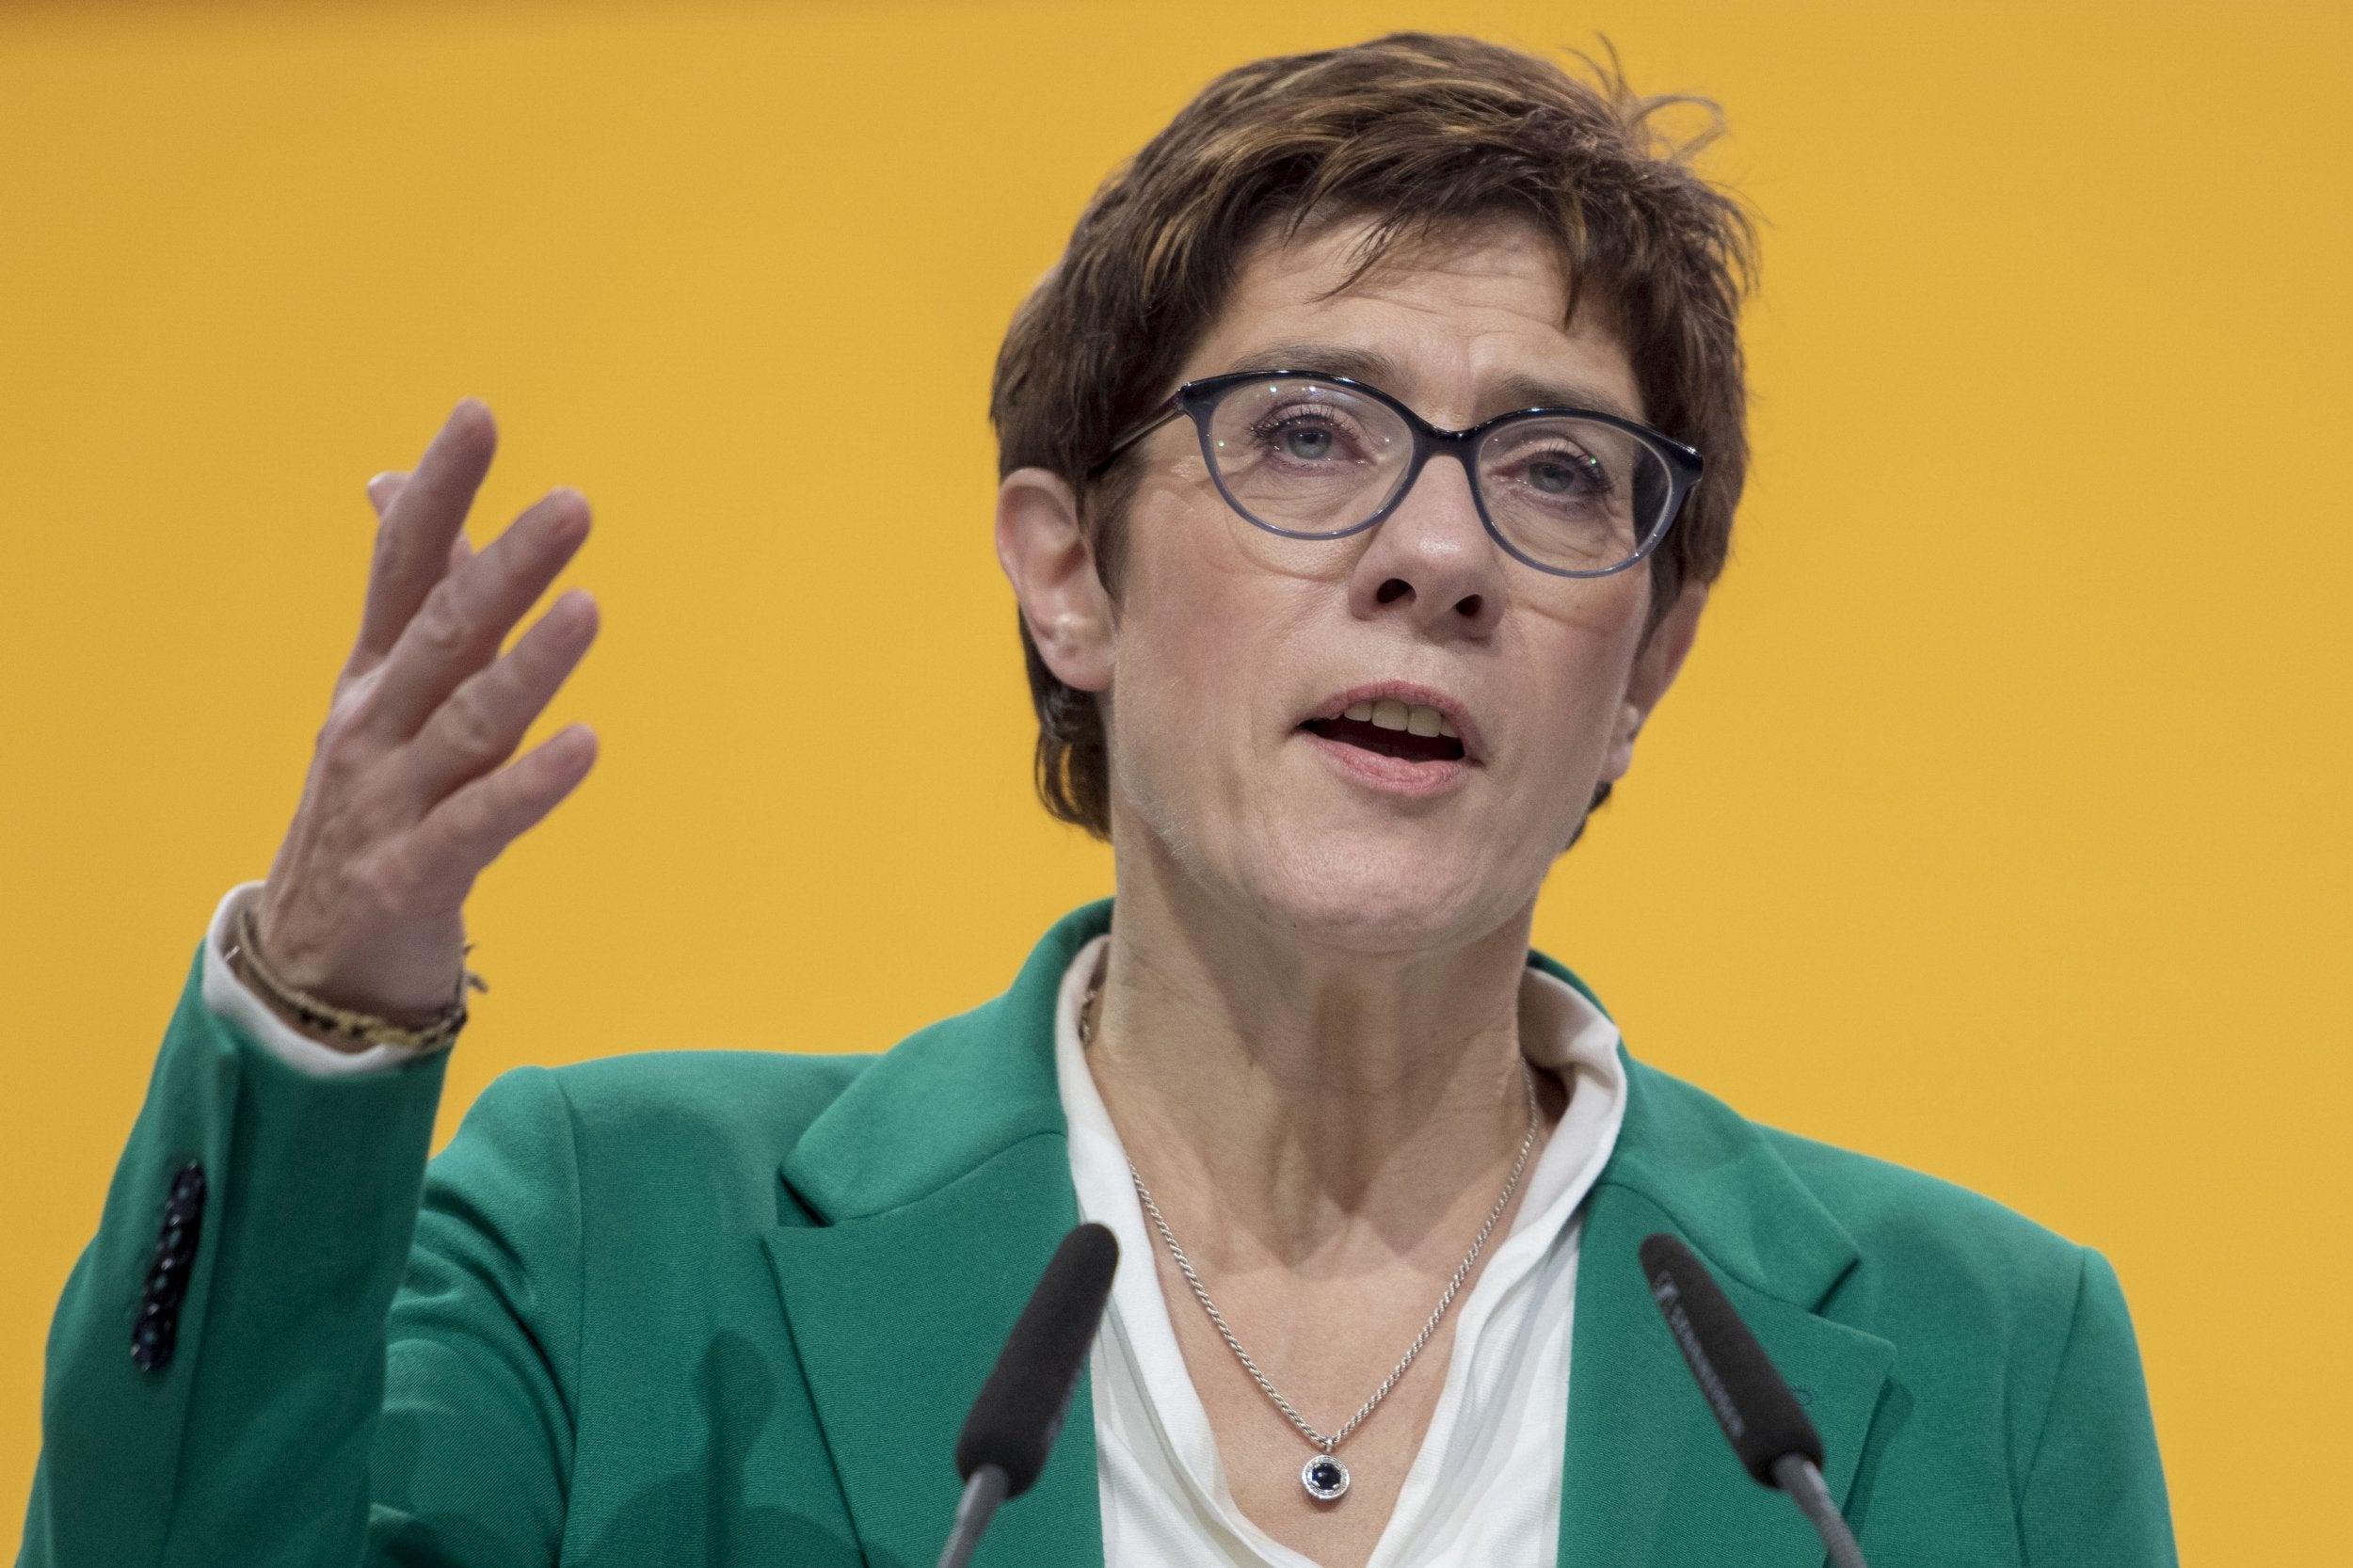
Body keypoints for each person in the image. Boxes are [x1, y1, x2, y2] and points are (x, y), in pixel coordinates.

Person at [21, 31, 2175, 1568]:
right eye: (1310, 433)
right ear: (1069, 570)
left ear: (1647, 662)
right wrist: (311, 1010)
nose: (1435, 554)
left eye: (1551, 471)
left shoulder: (1984, 1360)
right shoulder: (616, 1239)